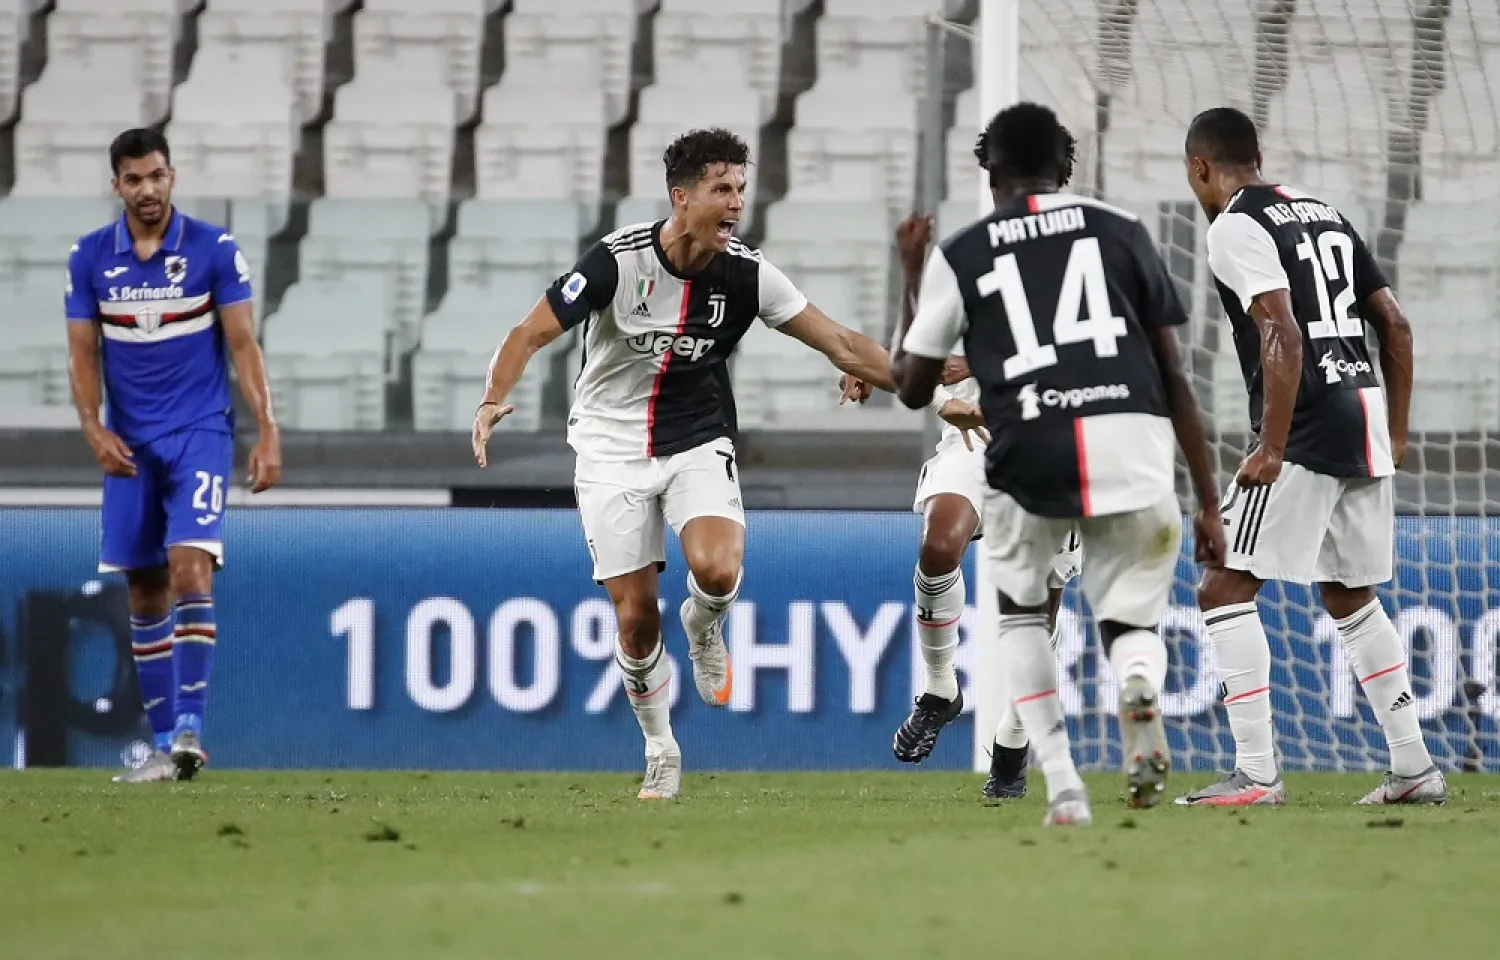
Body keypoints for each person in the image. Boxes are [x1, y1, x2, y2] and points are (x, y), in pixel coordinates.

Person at [470, 127, 983, 801]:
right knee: (633, 618)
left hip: (696, 438)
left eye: (741, 188)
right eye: (722, 189)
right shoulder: (616, 262)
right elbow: (528, 333)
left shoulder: (747, 272)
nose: (736, 202)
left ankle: (704, 623)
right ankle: (660, 747)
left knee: (716, 568)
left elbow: (842, 344)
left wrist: (941, 393)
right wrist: (491, 399)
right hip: (608, 446)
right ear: (680, 198)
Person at [890, 102, 1226, 826]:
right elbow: (1176, 376)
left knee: (1020, 618)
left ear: (992, 173)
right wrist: (1206, 499)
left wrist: (912, 273)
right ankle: (1137, 681)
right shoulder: (1124, 232)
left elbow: (913, 386)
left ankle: (1064, 788)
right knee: (1130, 623)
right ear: (1064, 168)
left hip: (1028, 449)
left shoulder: (968, 251)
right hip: (1133, 445)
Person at [1176, 107, 1445, 807]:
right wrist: (1398, 428)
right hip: (1361, 415)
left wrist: (1270, 445)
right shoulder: (1324, 212)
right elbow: (1396, 324)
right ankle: (1414, 767)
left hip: (1304, 427)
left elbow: (1282, 332)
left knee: (1222, 586)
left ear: (1201, 168)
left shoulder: (1236, 225)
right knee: (1349, 594)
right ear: (1257, 155)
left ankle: (1257, 774)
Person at [876, 122, 1088, 800]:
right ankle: (940, 689)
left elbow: (1095, 366)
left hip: (1055, 453)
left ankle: (1013, 743)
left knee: (1035, 612)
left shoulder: (1089, 256)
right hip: (971, 444)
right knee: (939, 544)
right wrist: (911, 277)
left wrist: (988, 377)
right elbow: (917, 355)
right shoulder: (965, 256)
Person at [64, 128, 281, 783]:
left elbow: (243, 345)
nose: (147, 189)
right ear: (117, 187)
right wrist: (91, 427)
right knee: (143, 587)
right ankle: (164, 747)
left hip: (199, 435)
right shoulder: (90, 259)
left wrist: (267, 428)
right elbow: (82, 352)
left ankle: (190, 728)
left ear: (172, 176)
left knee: (190, 568)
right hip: (130, 445)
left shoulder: (213, 250)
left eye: (156, 175)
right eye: (134, 179)